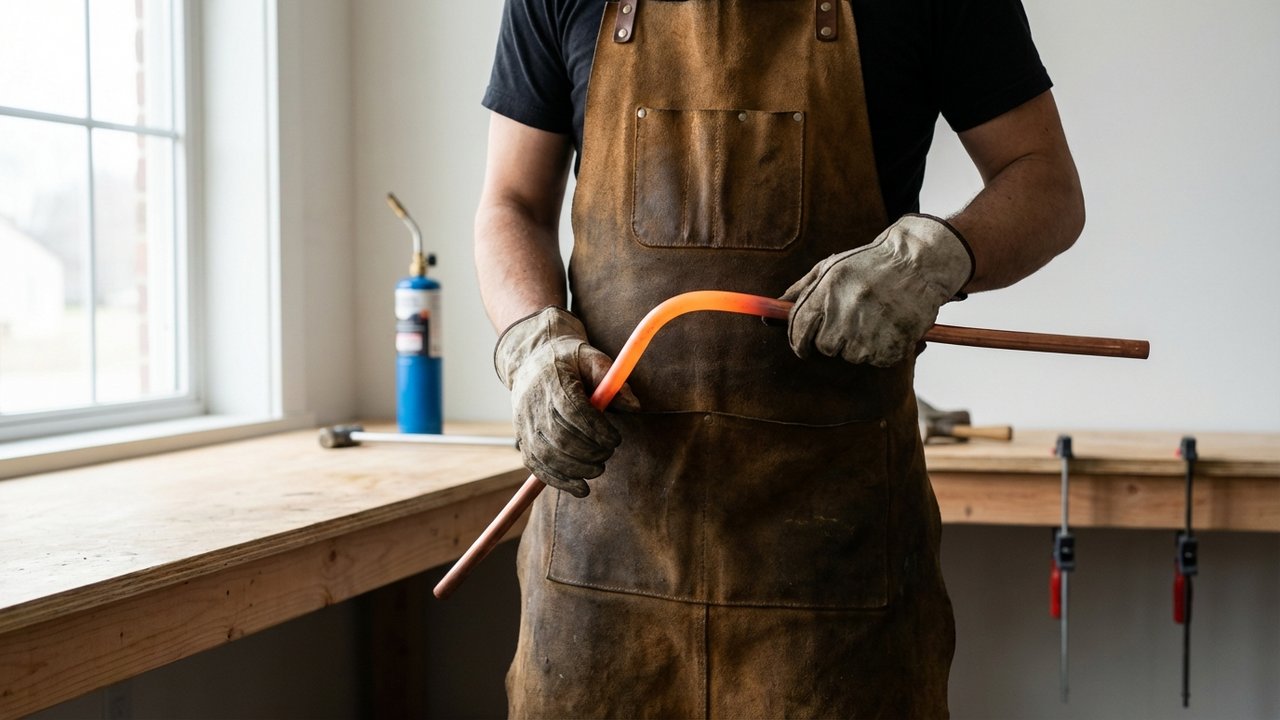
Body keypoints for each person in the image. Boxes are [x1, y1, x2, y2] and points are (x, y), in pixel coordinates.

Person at [474, 0, 1083, 716]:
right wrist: (532, 340)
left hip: (836, 574)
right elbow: (510, 201)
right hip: (606, 552)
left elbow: (1046, 184)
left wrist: (937, 255)